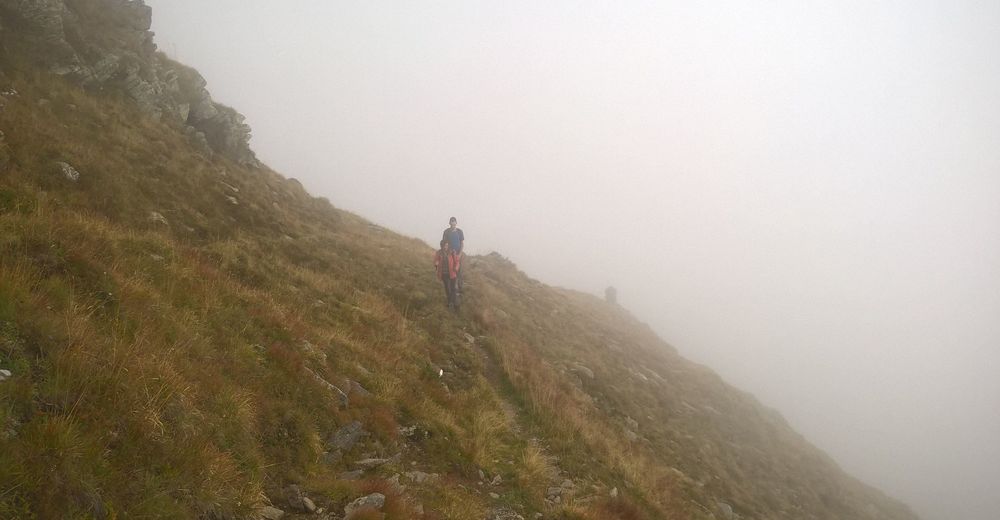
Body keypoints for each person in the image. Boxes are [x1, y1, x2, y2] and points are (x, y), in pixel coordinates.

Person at [434, 240, 460, 310]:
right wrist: (436, 263)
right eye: (444, 245)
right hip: (444, 274)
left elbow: (457, 261)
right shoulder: (439, 252)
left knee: (453, 289)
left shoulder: (452, 252)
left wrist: (456, 268)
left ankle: (455, 304)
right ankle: (450, 303)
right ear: (441, 245)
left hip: (452, 273)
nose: (446, 247)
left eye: (447, 245)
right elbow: (436, 260)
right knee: (447, 289)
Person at [442, 217, 464, 293]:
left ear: (456, 223)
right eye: (451, 222)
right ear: (449, 223)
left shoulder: (459, 231)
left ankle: (460, 288)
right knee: (451, 270)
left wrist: (460, 254)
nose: (453, 223)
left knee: (459, 270)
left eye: (454, 221)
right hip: (449, 255)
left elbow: (461, 243)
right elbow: (444, 243)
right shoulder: (446, 232)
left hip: (458, 254)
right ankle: (452, 287)